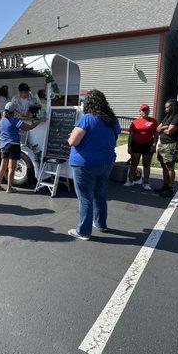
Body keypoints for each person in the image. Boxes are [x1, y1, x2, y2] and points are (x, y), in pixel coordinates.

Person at [67, 89, 121, 241]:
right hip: (106, 162)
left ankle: (83, 231)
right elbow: (115, 136)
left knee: (85, 198)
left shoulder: (87, 118)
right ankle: (100, 223)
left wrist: (71, 136)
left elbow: (73, 141)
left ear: (88, 103)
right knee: (100, 194)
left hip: (85, 164)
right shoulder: (112, 120)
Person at [0, 101, 41, 193]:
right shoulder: (16, 121)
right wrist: (38, 122)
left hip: (4, 145)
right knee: (11, 168)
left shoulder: (2, 120)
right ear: (14, 110)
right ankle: (9, 188)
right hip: (14, 145)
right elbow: (28, 127)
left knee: (3, 166)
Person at [124, 104, 158, 191]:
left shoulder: (153, 121)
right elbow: (131, 135)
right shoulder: (135, 122)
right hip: (136, 144)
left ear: (149, 111)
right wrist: (129, 146)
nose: (145, 112)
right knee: (134, 163)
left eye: (146, 110)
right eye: (143, 110)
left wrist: (154, 144)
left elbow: (156, 134)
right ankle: (130, 180)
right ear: (140, 112)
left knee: (146, 164)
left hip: (148, 145)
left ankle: (146, 183)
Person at [154, 99, 178, 198]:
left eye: (167, 107)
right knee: (164, 166)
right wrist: (164, 127)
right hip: (163, 144)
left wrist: (163, 128)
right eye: (165, 107)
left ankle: (170, 189)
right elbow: (158, 128)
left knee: (169, 167)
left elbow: (170, 131)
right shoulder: (168, 116)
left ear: (173, 107)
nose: (165, 109)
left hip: (172, 144)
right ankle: (165, 186)